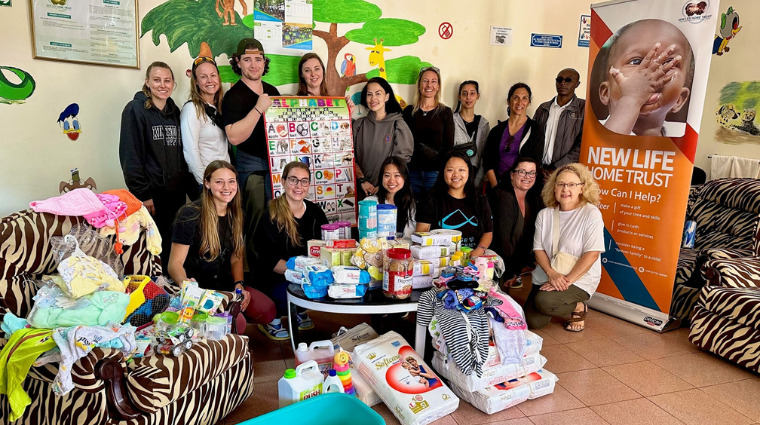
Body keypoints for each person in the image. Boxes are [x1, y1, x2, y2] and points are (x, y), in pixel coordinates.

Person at [168, 160, 279, 336]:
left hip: (225, 287)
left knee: (268, 310)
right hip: (199, 291)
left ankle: (230, 315)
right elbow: (175, 264)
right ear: (207, 183)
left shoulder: (237, 214)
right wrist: (187, 286)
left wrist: (239, 286)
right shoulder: (190, 214)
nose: (226, 187)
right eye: (219, 181)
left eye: (232, 181)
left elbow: (236, 256)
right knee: (237, 325)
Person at [119, 61, 191, 266]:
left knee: (172, 243)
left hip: (175, 194)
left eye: (167, 81)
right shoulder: (135, 109)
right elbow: (130, 155)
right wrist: (143, 194)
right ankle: (154, 288)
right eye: (157, 80)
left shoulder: (175, 112)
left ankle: (172, 288)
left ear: (173, 84)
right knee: (151, 246)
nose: (163, 85)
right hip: (152, 195)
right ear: (147, 82)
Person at [526, 163, 605, 332]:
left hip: (578, 278)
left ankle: (578, 307)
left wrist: (565, 281)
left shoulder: (591, 214)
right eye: (560, 184)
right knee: (532, 321)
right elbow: (538, 249)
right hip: (549, 273)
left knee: (544, 302)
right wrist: (552, 274)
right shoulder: (545, 214)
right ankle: (557, 300)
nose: (565, 189)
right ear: (553, 187)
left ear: (582, 188)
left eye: (571, 184)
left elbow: (592, 254)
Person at [254, 161, 328, 339]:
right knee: (292, 289)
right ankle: (272, 318)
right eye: (293, 180)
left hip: (306, 272)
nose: (298, 186)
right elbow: (268, 261)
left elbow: (326, 246)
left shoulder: (315, 212)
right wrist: (302, 275)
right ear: (283, 181)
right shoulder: (270, 214)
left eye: (304, 181)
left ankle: (299, 310)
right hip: (275, 276)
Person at [222, 38, 280, 265]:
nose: (254, 64)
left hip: (277, 168)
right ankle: (256, 277)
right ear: (238, 62)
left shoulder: (273, 91)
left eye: (258, 59)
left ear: (264, 62)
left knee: (278, 223)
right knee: (256, 225)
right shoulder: (233, 96)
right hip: (253, 172)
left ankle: (276, 268)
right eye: (247, 59)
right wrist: (258, 108)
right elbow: (234, 136)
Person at [594, 19, 694, 137]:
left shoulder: (683, 136)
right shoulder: (595, 129)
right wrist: (631, 99)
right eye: (636, 61)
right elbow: (605, 147)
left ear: (679, 99)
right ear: (606, 93)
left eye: (669, 62)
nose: (653, 70)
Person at [416, 152, 493, 258]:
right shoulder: (431, 199)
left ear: (469, 172)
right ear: (442, 172)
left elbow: (488, 232)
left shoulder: (480, 199)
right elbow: (421, 233)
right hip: (440, 258)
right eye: (450, 170)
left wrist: (479, 251)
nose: (456, 174)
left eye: (461, 170)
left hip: (472, 257)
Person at [353, 77, 413, 198]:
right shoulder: (359, 125)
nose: (373, 98)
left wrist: (385, 184)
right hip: (361, 189)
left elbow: (402, 160)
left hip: (388, 191)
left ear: (386, 97)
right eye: (369, 94)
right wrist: (362, 181)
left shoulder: (398, 124)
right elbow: (348, 157)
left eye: (378, 93)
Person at [403, 67, 455, 198]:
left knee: (432, 213)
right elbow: (403, 142)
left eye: (433, 81)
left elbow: (449, 146)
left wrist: (441, 168)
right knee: (411, 211)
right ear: (419, 85)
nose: (429, 85)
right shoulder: (409, 111)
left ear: (438, 86)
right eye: (425, 81)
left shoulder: (445, 112)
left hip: (435, 173)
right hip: (412, 171)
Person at [181, 55, 230, 193]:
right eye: (203, 77)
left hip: (224, 181)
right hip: (207, 182)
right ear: (196, 81)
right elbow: (190, 152)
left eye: (213, 75)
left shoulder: (221, 108)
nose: (210, 81)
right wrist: (204, 183)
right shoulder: (192, 109)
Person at [490, 157, 541, 289]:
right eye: (522, 172)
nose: (527, 176)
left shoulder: (532, 198)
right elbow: (502, 239)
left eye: (531, 172)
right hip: (496, 264)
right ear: (512, 175)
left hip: (513, 266)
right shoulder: (503, 196)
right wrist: (509, 272)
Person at [482, 83, 544, 189]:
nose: (520, 102)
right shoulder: (496, 131)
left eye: (524, 98)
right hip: (497, 185)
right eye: (516, 98)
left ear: (529, 102)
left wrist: (519, 189)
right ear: (508, 101)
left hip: (523, 188)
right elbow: (488, 161)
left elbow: (535, 162)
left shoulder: (535, 129)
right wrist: (496, 187)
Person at [533, 69, 585, 181]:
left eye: (568, 80)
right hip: (539, 173)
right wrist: (536, 167)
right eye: (559, 80)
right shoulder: (543, 108)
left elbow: (582, 144)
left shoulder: (583, 108)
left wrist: (557, 168)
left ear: (577, 84)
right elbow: (532, 138)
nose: (563, 83)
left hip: (566, 173)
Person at [366, 156, 416, 238]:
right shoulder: (370, 203)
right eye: (387, 175)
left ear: (405, 178)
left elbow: (410, 237)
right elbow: (367, 235)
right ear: (381, 177)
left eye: (397, 175)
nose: (392, 181)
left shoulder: (411, 203)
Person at [453, 80, 490, 187]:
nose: (468, 97)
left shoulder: (483, 124)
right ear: (459, 97)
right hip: (455, 176)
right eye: (464, 93)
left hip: (475, 175)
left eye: (472, 93)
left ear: (478, 96)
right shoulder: (451, 120)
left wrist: (478, 181)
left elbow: (484, 156)